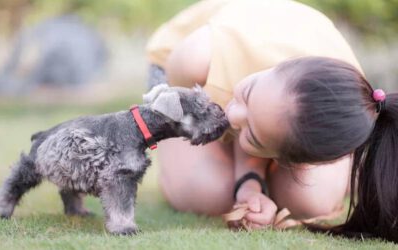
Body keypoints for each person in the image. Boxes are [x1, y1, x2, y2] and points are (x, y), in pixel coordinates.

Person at [146, 0, 398, 242]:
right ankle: (188, 169)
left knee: (312, 201)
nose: (232, 115)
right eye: (248, 93)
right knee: (210, 194)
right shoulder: (195, 58)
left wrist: (250, 186)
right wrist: (249, 182)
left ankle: (262, 133)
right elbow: (189, 101)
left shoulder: (345, 110)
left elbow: (263, 119)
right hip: (185, 80)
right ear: (274, 67)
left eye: (253, 137)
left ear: (285, 160)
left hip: (273, 106)